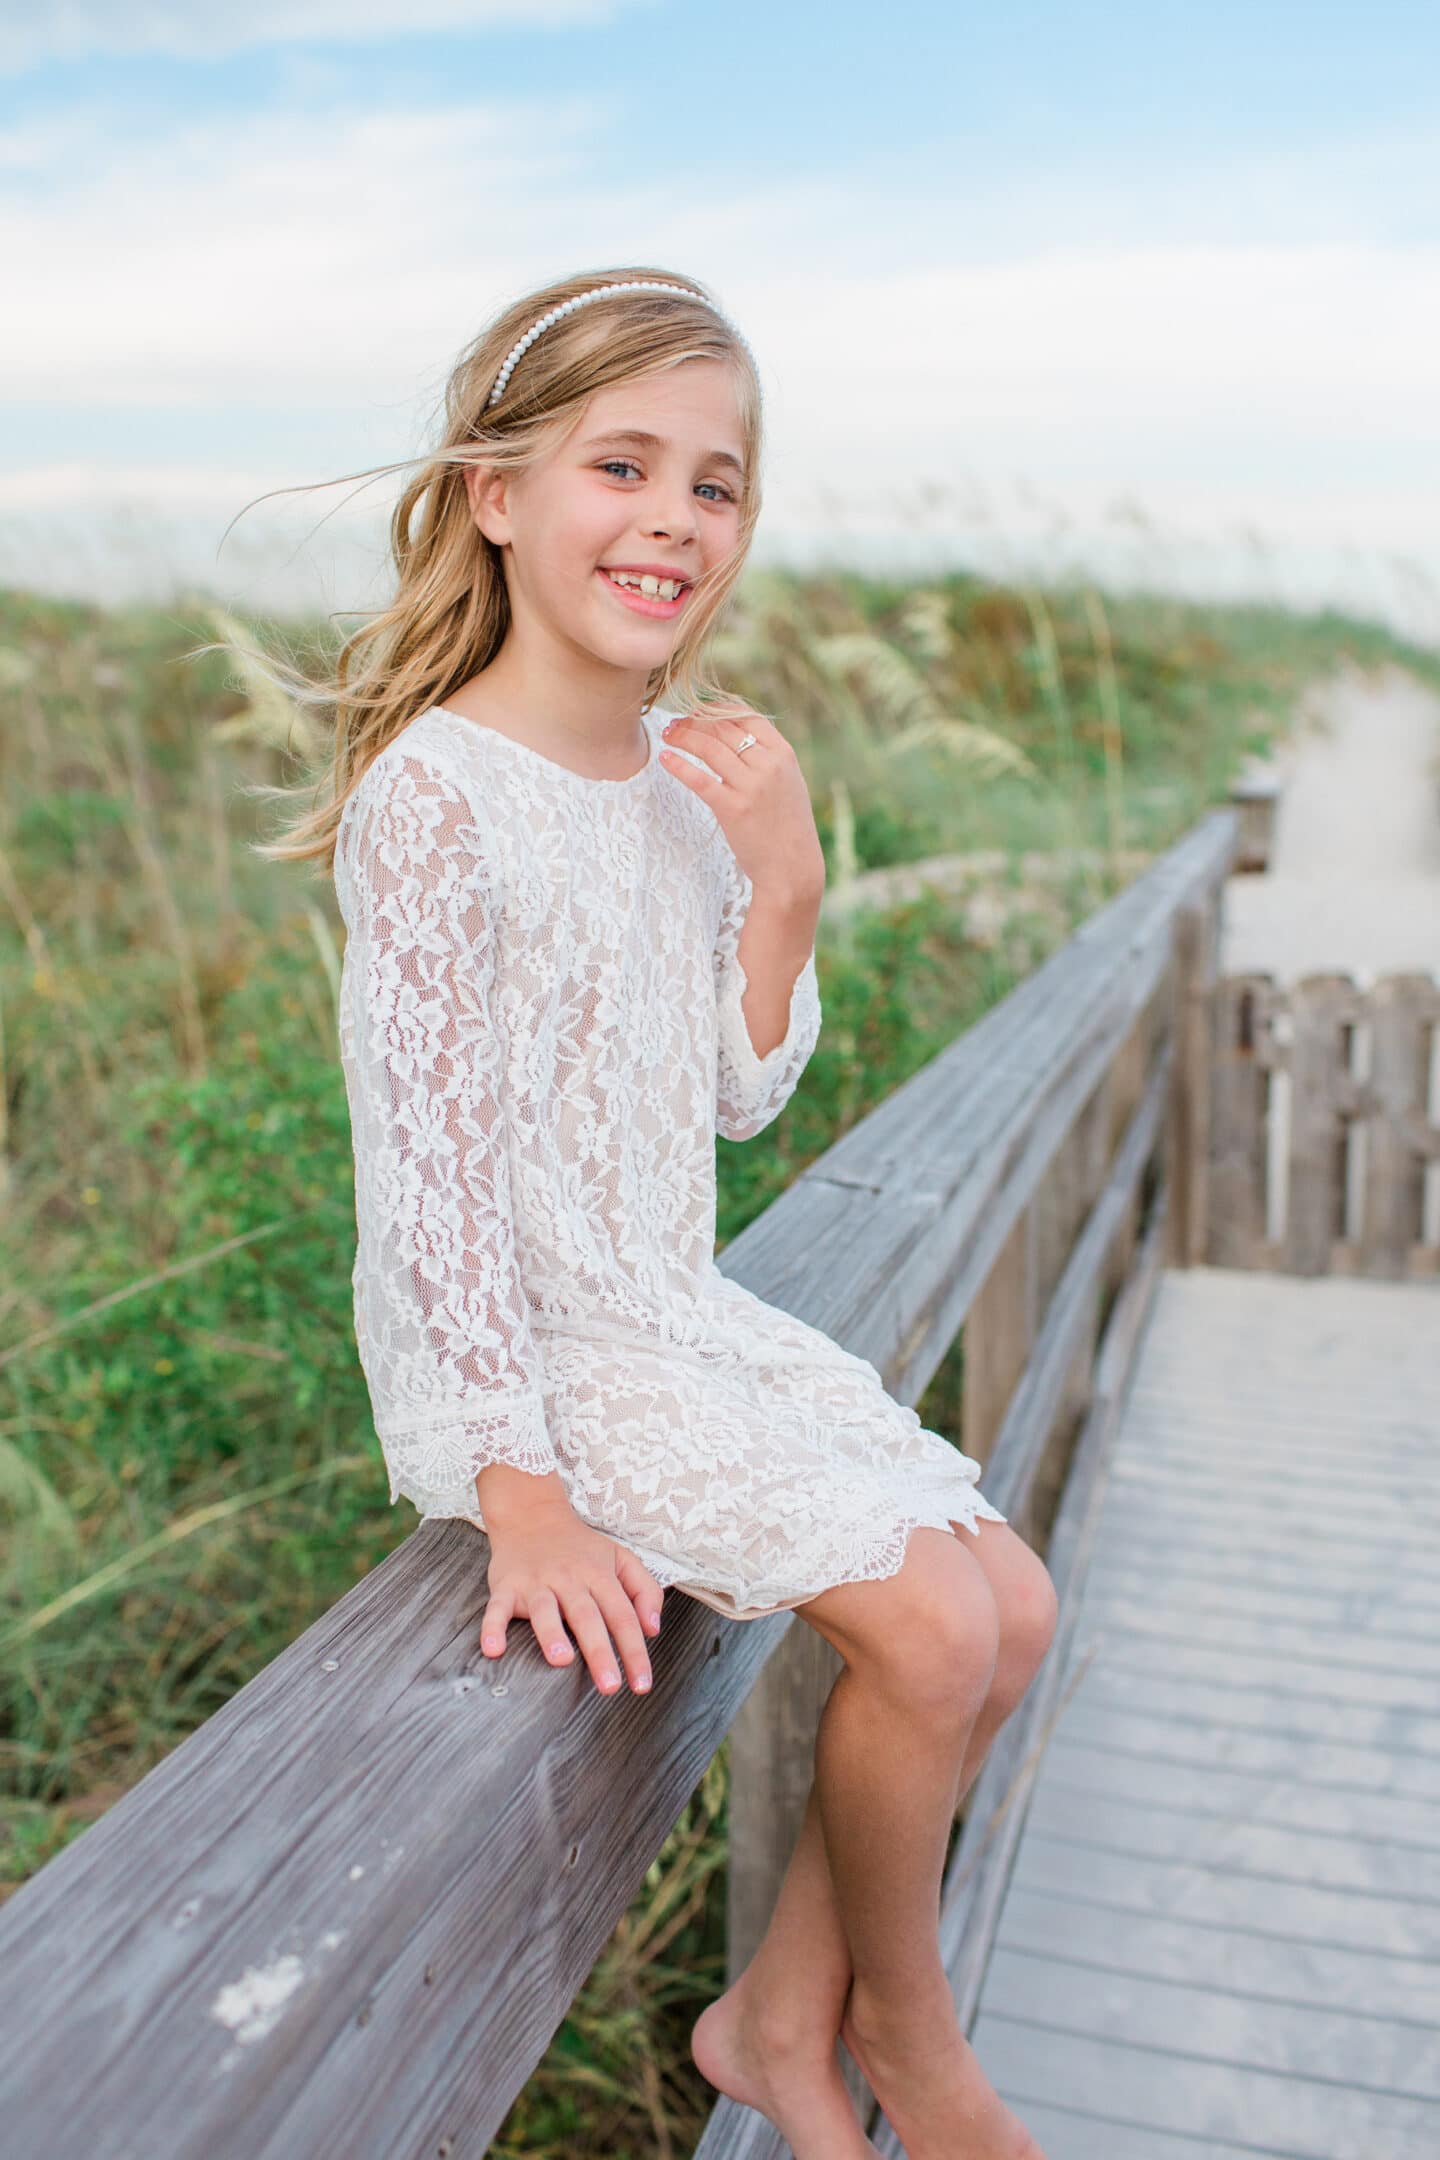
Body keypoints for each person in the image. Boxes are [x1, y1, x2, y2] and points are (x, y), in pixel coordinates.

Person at [252, 268, 1056, 2160]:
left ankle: (781, 2018)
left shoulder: (687, 783)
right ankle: (913, 2057)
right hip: (547, 1364)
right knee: (933, 1635)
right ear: (497, 495)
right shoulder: (438, 794)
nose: (677, 519)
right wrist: (511, 1482)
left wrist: (779, 885)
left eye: (719, 483)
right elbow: (425, 1167)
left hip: (675, 1310)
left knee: (1003, 1610)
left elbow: (731, 1097)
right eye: (624, 465)